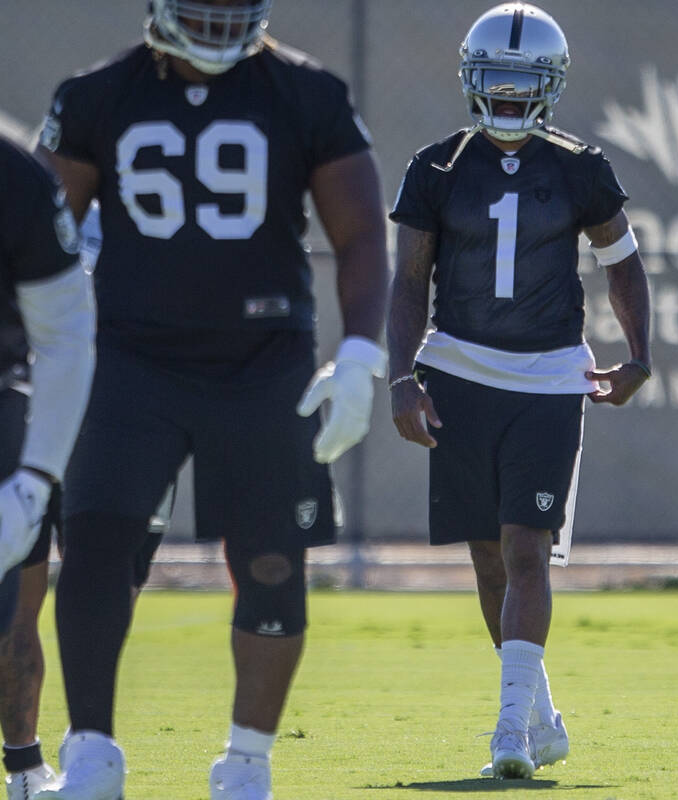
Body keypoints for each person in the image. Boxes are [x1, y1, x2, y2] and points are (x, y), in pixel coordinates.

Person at [36, 0, 390, 797]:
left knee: (271, 561)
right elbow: (40, 238)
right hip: (130, 359)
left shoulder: (308, 94)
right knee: (94, 548)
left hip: (262, 362)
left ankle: (248, 762)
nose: (221, 24)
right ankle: (91, 753)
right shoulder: (96, 95)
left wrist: (363, 354)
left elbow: (361, 232)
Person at [387, 1, 652, 781]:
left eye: (522, 80)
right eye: (495, 79)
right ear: (471, 78)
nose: (506, 94)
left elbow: (623, 263)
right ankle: (541, 715)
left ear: (552, 83)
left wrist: (639, 353)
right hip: (459, 371)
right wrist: (403, 376)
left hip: (547, 376)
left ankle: (509, 729)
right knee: (487, 560)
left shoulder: (580, 165)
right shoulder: (435, 166)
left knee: (526, 549)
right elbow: (409, 282)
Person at [0, 134, 96, 800]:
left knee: (24, 610)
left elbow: (65, 336)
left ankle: (37, 760)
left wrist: (33, 479)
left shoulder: (17, 179)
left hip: (36, 413)